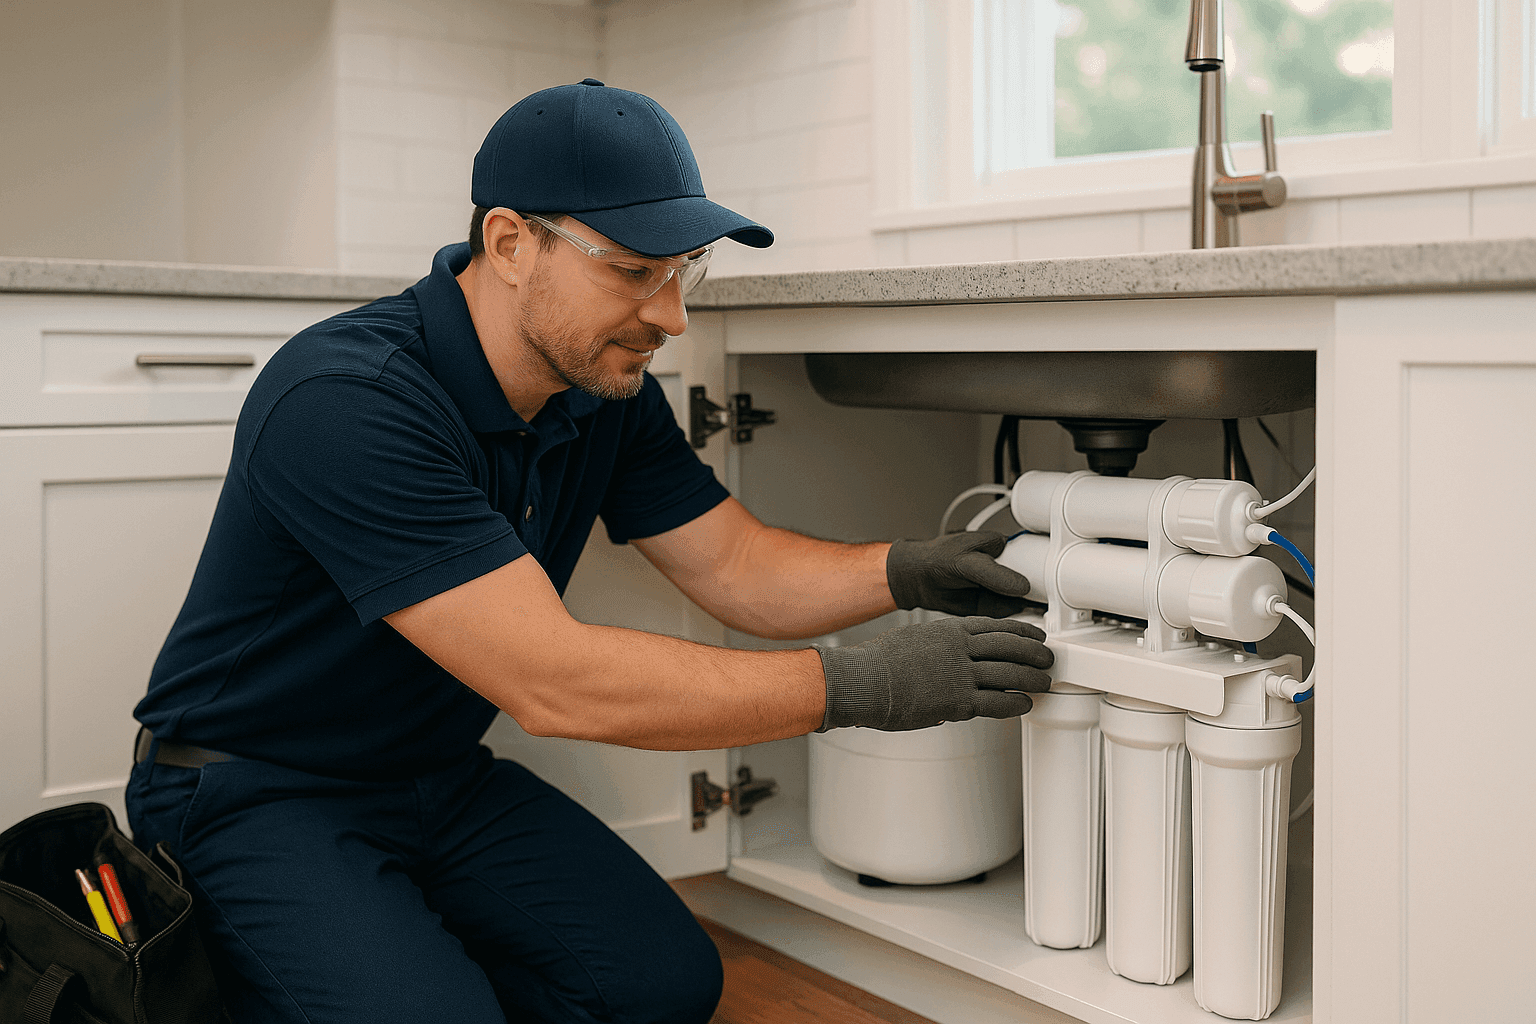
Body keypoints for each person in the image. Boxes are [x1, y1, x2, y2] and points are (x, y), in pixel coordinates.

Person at [126, 79, 1053, 1024]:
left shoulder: (598, 387)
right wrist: (863, 687)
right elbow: (557, 681)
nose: (671, 316)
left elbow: (735, 566)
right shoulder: (345, 399)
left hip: (435, 777)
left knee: (664, 985)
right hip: (254, 788)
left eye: (682, 270)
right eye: (633, 271)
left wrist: (907, 571)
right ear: (510, 244)